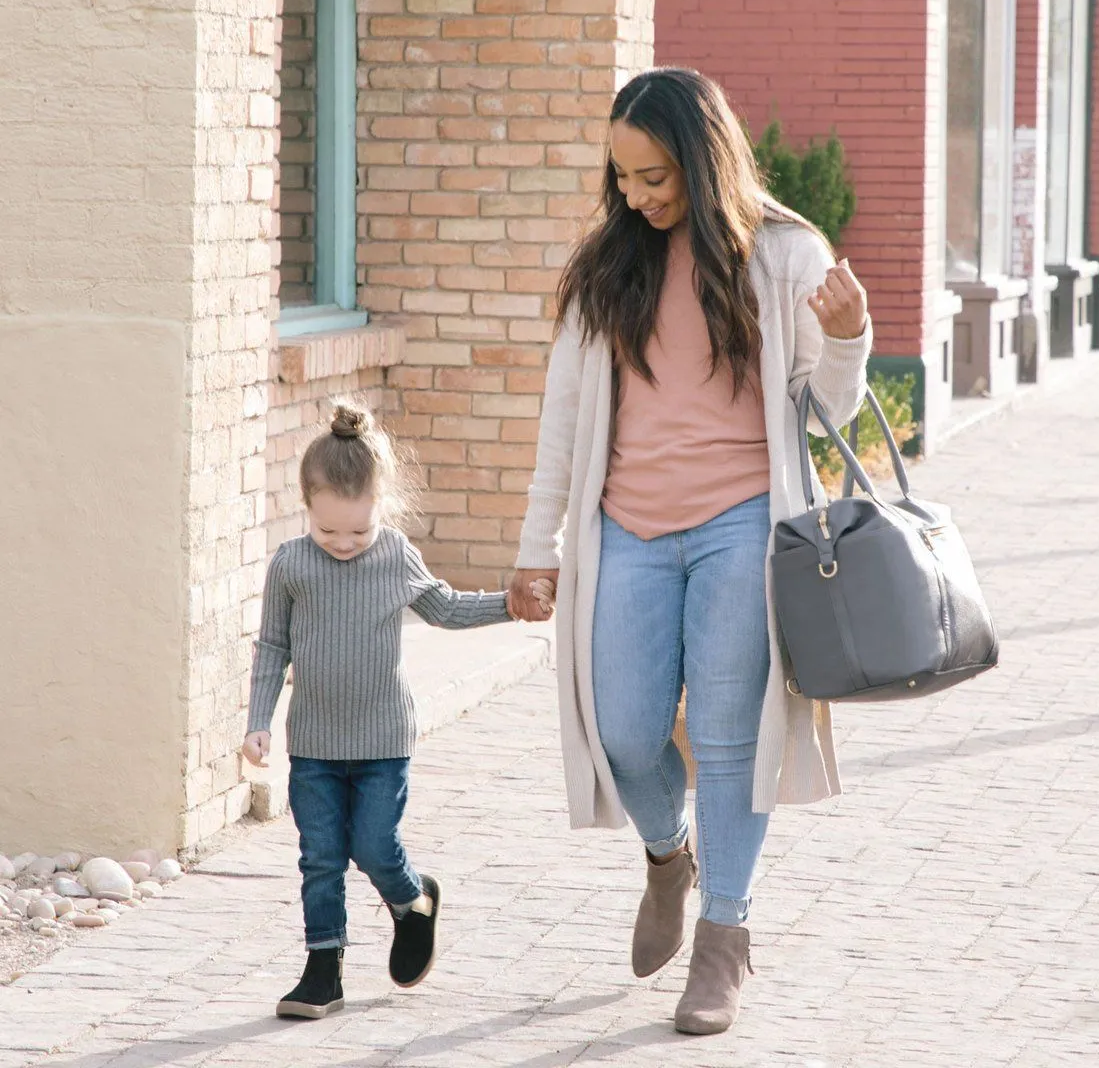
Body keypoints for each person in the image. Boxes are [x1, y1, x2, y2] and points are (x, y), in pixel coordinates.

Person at [507, 67, 871, 1035]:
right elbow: (564, 422)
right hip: (624, 528)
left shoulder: (786, 257)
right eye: (623, 177)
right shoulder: (603, 270)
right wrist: (533, 548)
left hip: (741, 528)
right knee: (621, 730)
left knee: (725, 735)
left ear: (705, 163)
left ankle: (724, 940)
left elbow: (824, 412)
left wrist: (849, 339)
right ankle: (669, 852)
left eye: (655, 176)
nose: (635, 195)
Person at [242, 402, 551, 1020]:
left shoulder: (396, 556)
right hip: (315, 747)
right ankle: (322, 970)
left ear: (380, 506)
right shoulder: (291, 565)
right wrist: (257, 721)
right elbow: (273, 646)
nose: (346, 544)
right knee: (321, 856)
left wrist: (512, 605)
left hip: (383, 743)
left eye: (359, 531)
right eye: (329, 532)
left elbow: (447, 608)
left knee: (375, 845)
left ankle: (412, 903)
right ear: (308, 507)